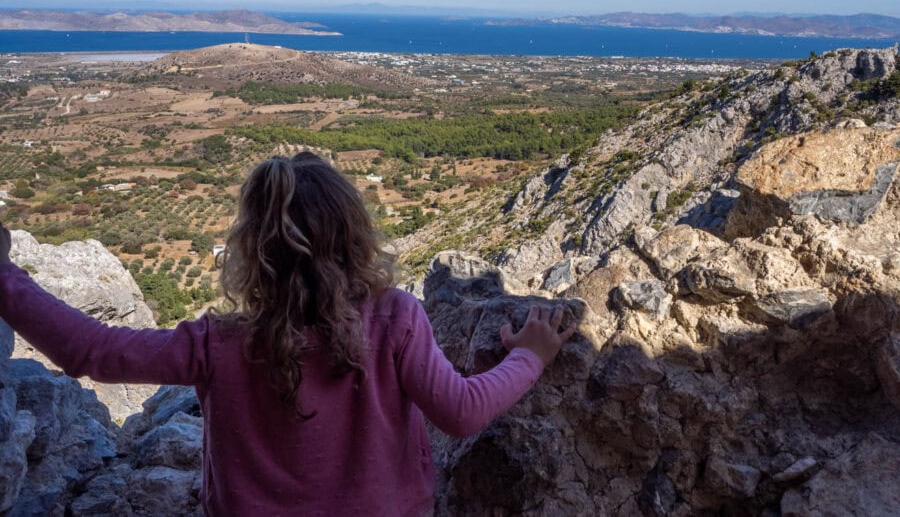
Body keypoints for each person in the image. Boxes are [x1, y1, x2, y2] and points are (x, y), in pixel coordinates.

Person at [0, 152, 574, 516]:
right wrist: (529, 356)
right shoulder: (395, 317)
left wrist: (5, 278)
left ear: (252, 248)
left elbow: (91, 351)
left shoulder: (219, 343)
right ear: (356, 238)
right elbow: (463, 410)